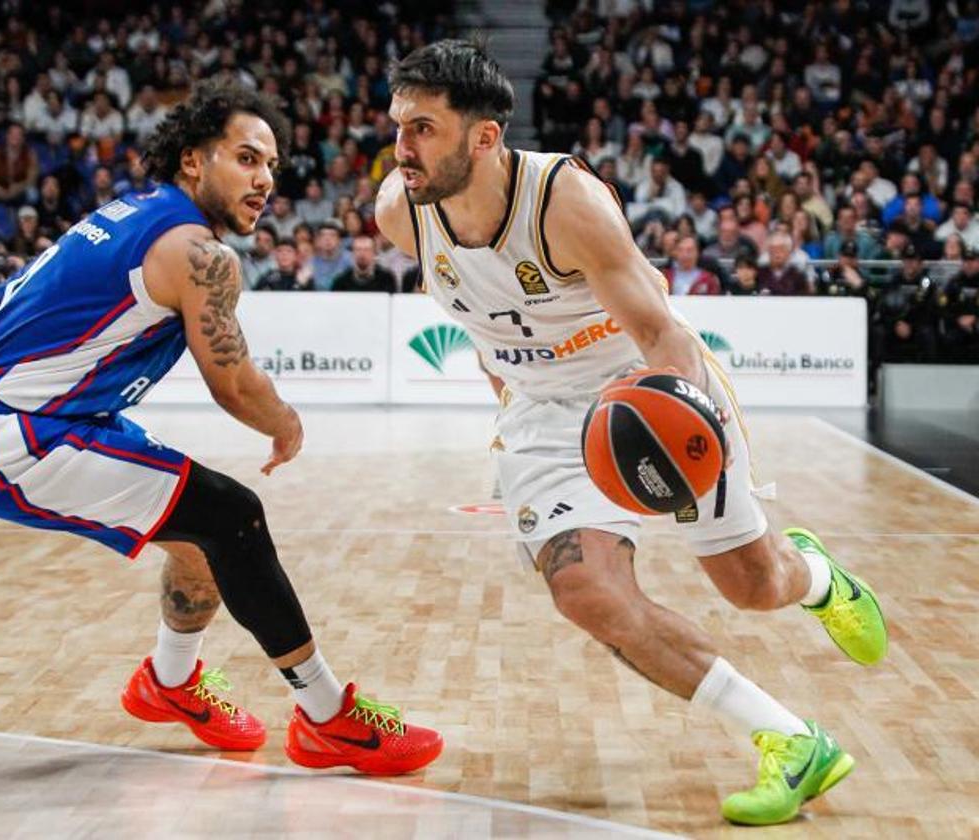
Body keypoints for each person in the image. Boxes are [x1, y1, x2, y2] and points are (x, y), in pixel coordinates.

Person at [376, 41, 885, 826]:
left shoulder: (563, 200)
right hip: (543, 414)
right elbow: (476, 313)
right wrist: (508, 403)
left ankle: (813, 577)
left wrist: (680, 423)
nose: (403, 147)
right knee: (585, 592)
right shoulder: (399, 212)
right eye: (399, 125)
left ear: (485, 137)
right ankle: (789, 739)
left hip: (647, 389)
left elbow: (660, 328)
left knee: (751, 585)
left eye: (424, 129)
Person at [0, 81, 442, 775]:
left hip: (32, 415)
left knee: (199, 541)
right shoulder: (195, 250)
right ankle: (330, 719)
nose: (264, 178)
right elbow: (232, 384)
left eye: (271, 165)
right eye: (245, 157)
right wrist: (286, 424)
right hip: (13, 436)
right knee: (233, 515)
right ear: (192, 162)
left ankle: (168, 684)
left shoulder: (139, 212)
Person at [331, 235, 396, 292]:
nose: (362, 254)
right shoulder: (341, 281)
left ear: (374, 253)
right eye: (358, 249)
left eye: (366, 250)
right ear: (352, 253)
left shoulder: (386, 279)